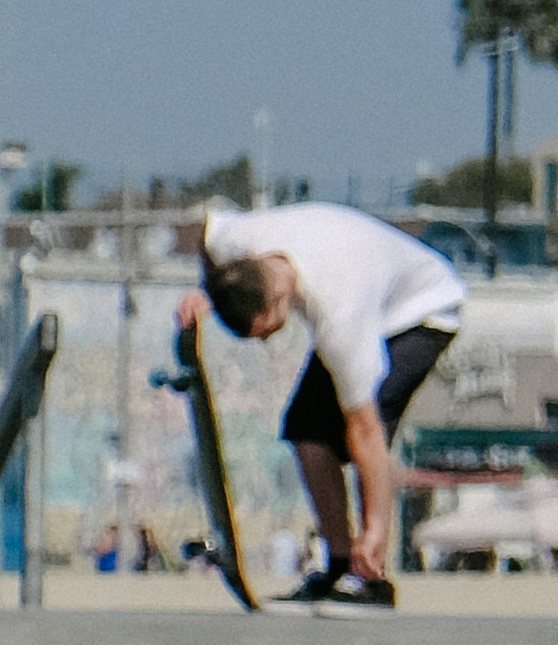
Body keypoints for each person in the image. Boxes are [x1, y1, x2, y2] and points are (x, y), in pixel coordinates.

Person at [188, 197, 468, 606]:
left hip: (421, 312)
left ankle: (372, 574)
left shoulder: (339, 314)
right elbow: (207, 232)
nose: (267, 341)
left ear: (274, 303)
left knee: (363, 432)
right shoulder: (234, 244)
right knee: (306, 430)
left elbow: (366, 430)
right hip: (362, 280)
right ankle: (337, 563)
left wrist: (374, 528)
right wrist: (205, 292)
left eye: (263, 333)